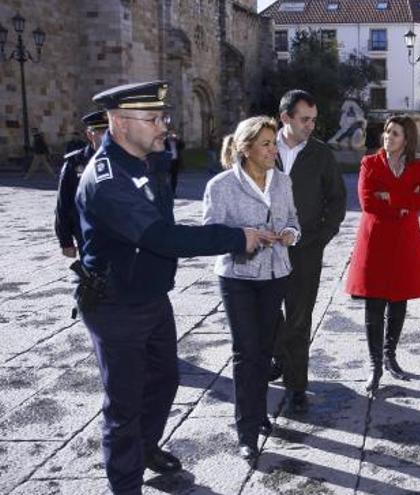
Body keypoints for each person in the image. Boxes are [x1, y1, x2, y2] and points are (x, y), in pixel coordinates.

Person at [75, 81, 275, 494]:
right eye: (152, 119)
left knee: (164, 380)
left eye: (163, 117)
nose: (163, 126)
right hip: (117, 305)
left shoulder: (147, 160)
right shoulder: (107, 179)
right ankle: (125, 485)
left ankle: (147, 448)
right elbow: (163, 237)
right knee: (124, 404)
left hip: (149, 296)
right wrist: (237, 236)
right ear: (118, 123)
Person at [203, 116, 301, 461]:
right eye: (266, 144)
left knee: (264, 350)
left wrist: (289, 235)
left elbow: (293, 222)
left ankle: (259, 413)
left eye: (275, 143)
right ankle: (246, 431)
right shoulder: (221, 186)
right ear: (245, 149)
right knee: (246, 351)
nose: (274, 150)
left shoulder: (283, 182)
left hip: (276, 275)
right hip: (238, 279)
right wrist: (245, 238)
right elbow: (211, 236)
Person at [272, 89, 347, 417]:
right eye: (304, 119)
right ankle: (279, 357)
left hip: (305, 252)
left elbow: (337, 201)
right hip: (261, 252)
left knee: (300, 318)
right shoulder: (259, 147)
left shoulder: (320, 154)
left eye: (314, 120)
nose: (311, 126)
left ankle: (296, 386)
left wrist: (319, 237)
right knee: (267, 316)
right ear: (285, 118)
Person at [345, 115, 420, 395]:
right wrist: (400, 203)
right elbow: (367, 201)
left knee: (399, 299)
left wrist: (390, 198)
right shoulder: (369, 163)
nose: (388, 137)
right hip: (376, 240)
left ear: (406, 139)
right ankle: (375, 365)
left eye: (395, 133)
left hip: (404, 240)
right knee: (374, 303)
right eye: (386, 132)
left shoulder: (417, 167)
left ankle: (390, 355)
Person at [55, 111, 108, 259]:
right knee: (92, 278)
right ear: (90, 134)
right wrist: (65, 241)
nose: (107, 137)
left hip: (120, 237)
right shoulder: (75, 162)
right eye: (101, 132)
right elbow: (63, 203)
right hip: (87, 234)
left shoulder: (125, 160)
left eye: (110, 132)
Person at [165, 131, 184, 196]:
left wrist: (179, 139)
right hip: (167, 161)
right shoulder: (165, 141)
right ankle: (167, 192)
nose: (171, 135)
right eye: (170, 134)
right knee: (166, 178)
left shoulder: (176, 141)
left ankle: (173, 192)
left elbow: (183, 146)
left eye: (172, 134)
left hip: (175, 161)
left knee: (174, 178)